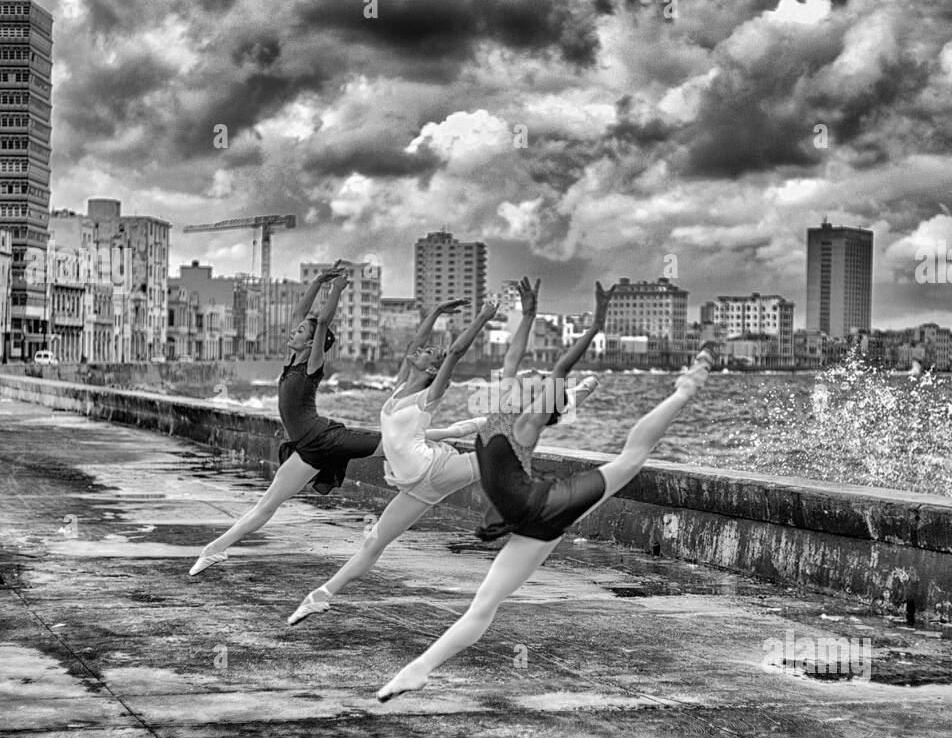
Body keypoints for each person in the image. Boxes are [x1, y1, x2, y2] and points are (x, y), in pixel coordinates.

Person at [377, 288, 713, 703]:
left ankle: (684, 389)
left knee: (629, 460)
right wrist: (530, 314)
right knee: (484, 604)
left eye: (532, 386)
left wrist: (592, 328)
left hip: (546, 506)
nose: (524, 382)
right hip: (533, 527)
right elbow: (514, 357)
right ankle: (417, 671)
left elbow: (559, 366)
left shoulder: (526, 423)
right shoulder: (504, 408)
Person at [287, 294, 500, 623]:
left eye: (428, 352)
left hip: (437, 470)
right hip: (414, 488)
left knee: (501, 452)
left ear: (432, 368)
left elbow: (455, 353)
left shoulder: (429, 395)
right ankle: (320, 596)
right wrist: (436, 309)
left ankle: (554, 406)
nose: (421, 349)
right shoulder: (401, 387)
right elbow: (415, 341)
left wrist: (483, 317)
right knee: (372, 545)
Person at [188, 263, 384, 576]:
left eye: (301, 333)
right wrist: (319, 281)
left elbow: (321, 322)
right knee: (266, 505)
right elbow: (300, 314)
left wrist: (336, 289)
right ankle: (213, 550)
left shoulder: (312, 363)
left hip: (326, 437)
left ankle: (459, 444)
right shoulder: (291, 360)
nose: (294, 332)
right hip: (304, 450)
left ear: (311, 343)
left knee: (393, 445)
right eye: (296, 330)